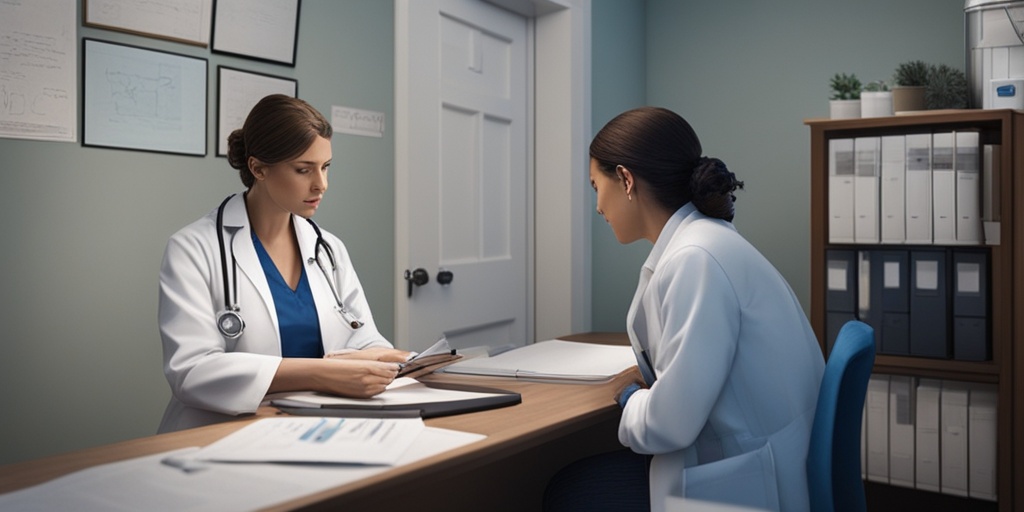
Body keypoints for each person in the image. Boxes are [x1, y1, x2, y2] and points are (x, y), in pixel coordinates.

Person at [544, 107, 825, 512]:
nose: (598, 208)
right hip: (771, 458)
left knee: (570, 491)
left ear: (625, 180)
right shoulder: (707, 242)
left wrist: (625, 396)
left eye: (595, 188)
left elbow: (669, 427)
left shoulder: (696, 258)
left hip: (748, 486)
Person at [157, 94, 410, 433]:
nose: (321, 184)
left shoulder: (328, 249)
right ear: (258, 168)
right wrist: (323, 372)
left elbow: (363, 340)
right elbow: (192, 372)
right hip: (225, 433)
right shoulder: (193, 249)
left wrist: (395, 357)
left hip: (323, 427)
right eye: (304, 169)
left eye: (326, 166)